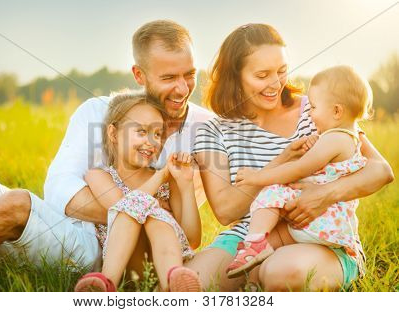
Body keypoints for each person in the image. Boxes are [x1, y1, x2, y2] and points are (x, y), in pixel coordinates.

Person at [0, 20, 213, 270]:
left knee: (18, 203)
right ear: (139, 75)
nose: (182, 89)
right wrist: (147, 212)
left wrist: (135, 216)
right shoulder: (98, 111)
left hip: (98, 251)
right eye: (168, 78)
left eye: (189, 74)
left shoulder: (210, 129)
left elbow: (196, 229)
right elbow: (60, 191)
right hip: (66, 225)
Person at [187, 23, 394, 291]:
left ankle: (268, 277)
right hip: (250, 239)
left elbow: (380, 170)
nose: (276, 84)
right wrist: (282, 160)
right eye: (262, 75)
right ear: (234, 76)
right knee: (190, 284)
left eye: (282, 71)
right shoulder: (212, 131)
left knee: (281, 272)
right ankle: (255, 273)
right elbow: (227, 210)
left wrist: (326, 194)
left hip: (318, 237)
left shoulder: (318, 108)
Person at [226, 65, 373, 282]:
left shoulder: (335, 139)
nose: (309, 113)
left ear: (336, 111)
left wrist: (257, 177)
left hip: (321, 222)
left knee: (272, 191)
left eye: (313, 107)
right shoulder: (340, 138)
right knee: (257, 271)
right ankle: (255, 269)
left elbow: (299, 168)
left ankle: (255, 242)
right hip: (323, 224)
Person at [74, 90, 201, 292]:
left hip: (164, 264)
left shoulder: (170, 180)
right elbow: (126, 207)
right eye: (141, 132)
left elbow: (193, 240)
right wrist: (159, 179)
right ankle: (106, 283)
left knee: (156, 217)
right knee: (137, 210)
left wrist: (185, 186)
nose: (151, 142)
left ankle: (173, 283)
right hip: (126, 267)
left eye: (158, 134)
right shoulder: (98, 176)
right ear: (113, 134)